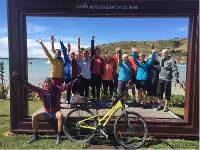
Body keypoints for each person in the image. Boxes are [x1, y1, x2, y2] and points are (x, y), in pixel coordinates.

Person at [11, 70, 77, 144]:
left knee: (60, 115)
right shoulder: (41, 91)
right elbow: (29, 85)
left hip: (55, 112)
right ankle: (36, 135)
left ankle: (58, 135)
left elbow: (67, 86)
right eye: (45, 83)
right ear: (44, 84)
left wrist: (77, 80)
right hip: (47, 113)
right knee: (34, 116)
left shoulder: (57, 90)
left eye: (48, 82)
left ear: (51, 83)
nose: (47, 84)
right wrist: (17, 77)